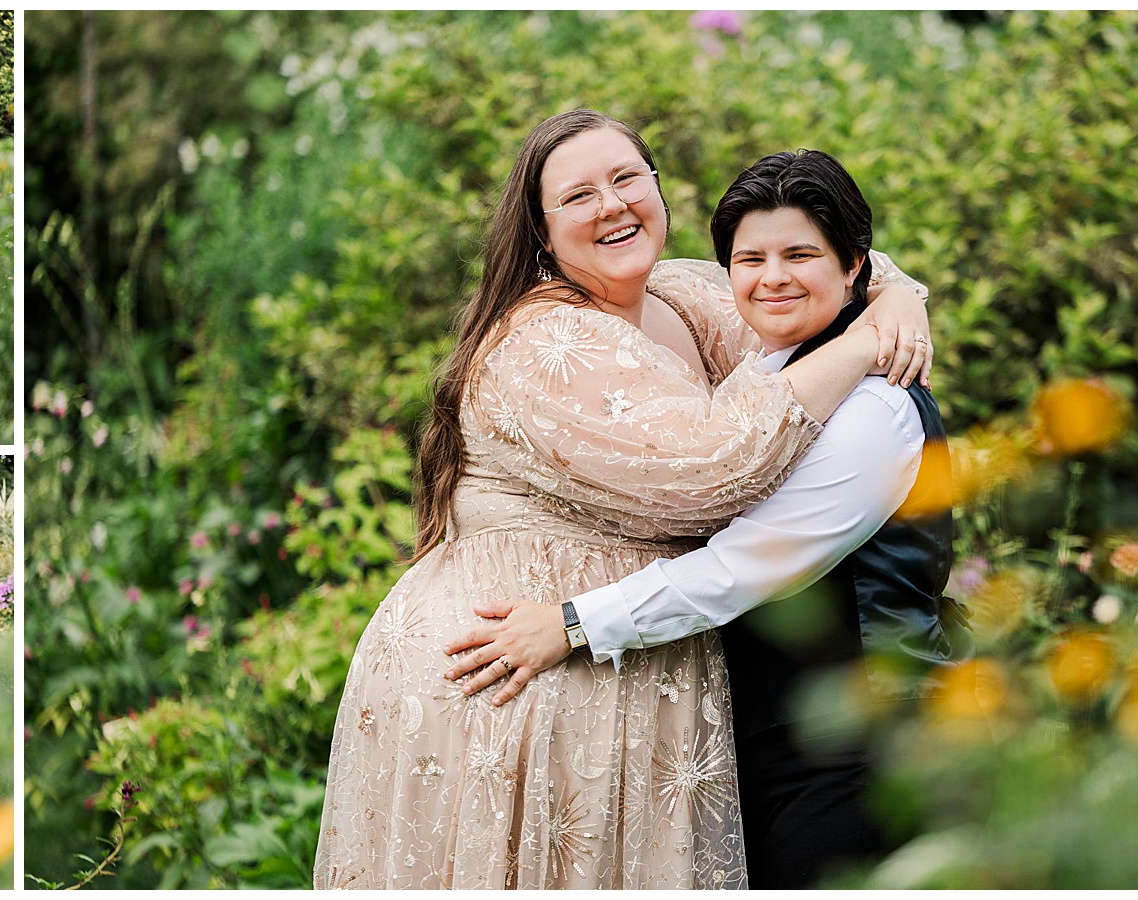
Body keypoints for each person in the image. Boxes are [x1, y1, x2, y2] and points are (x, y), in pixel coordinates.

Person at [313, 110, 934, 889]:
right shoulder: (542, 343)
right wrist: (869, 337)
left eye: (625, 178)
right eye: (578, 195)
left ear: (658, 187)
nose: (611, 204)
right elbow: (713, 467)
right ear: (540, 232)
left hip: (627, 668)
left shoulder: (683, 296)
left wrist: (899, 299)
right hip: (515, 678)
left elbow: (810, 281)